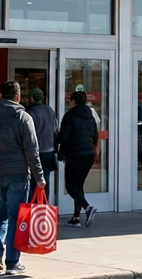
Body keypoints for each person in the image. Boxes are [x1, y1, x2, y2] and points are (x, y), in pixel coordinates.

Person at [0, 81, 45, 275]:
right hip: (17, 174)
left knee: (0, 213)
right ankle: (12, 262)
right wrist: (39, 177)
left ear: (0, 96)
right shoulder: (23, 117)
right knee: (15, 217)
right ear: (18, 96)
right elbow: (32, 150)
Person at [56, 90, 99, 228]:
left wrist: (54, 142)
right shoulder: (90, 116)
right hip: (88, 155)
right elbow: (95, 136)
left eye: (70, 100)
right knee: (79, 186)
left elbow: (63, 137)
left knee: (70, 186)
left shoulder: (70, 116)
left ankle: (87, 208)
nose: (68, 102)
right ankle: (75, 218)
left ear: (74, 101)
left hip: (75, 155)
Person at [24, 88, 58, 199]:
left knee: (33, 180)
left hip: (35, 151)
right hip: (49, 150)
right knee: (45, 179)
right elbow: (56, 130)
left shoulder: (30, 113)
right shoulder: (50, 111)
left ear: (32, 99)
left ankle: (33, 208)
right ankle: (44, 206)